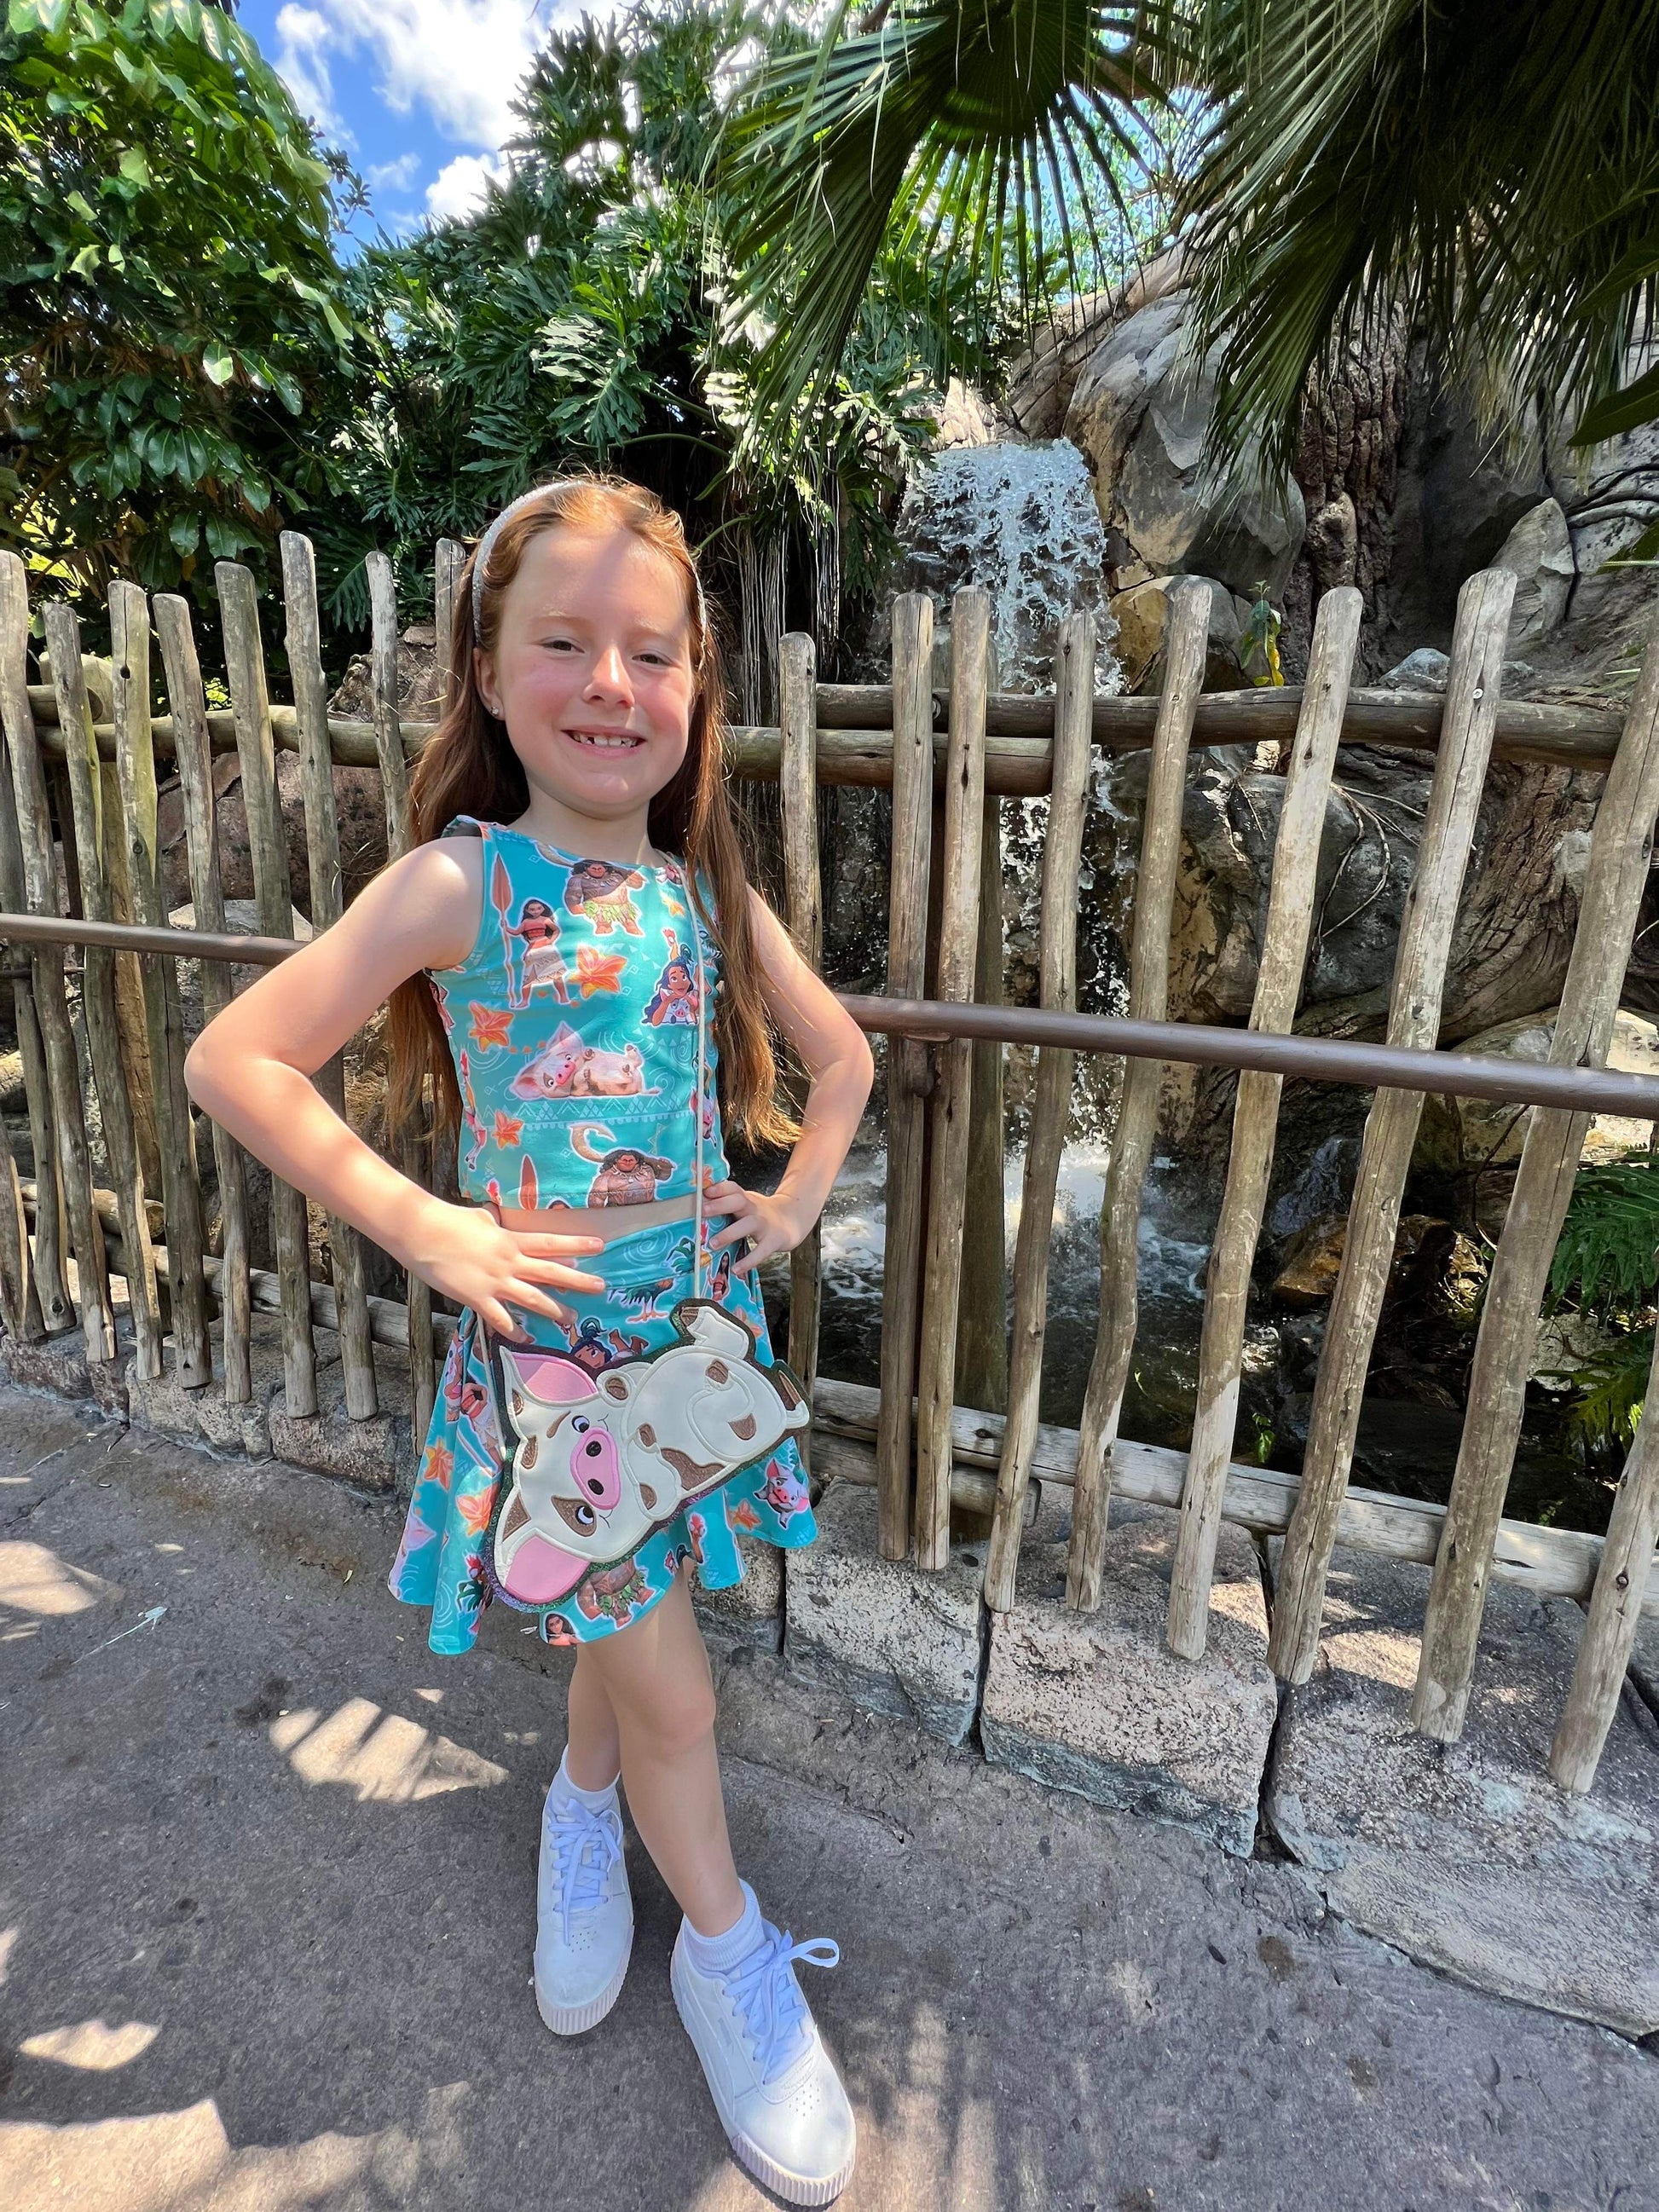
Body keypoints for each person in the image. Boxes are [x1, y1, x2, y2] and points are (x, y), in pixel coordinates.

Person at [184, 475, 874, 2205]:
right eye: (564, 642)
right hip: (559, 1380)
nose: (610, 682)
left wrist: (787, 1203)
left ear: (697, 683)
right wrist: (427, 1228)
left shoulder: (701, 890)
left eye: (652, 651)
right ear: (489, 674)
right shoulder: (461, 882)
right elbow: (237, 1059)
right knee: (678, 1692)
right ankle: (722, 1942)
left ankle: (580, 1807)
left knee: (627, 1642)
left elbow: (845, 1059)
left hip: (686, 1356)